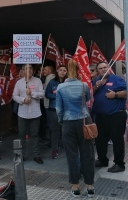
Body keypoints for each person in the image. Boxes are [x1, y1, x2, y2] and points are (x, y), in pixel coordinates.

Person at [56, 59, 95, 197]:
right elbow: (89, 99)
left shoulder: (60, 87)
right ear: (78, 70)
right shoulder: (84, 86)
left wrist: (62, 122)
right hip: (84, 121)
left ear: (67, 70)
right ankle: (90, 186)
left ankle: (75, 187)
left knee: (71, 155)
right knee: (87, 154)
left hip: (68, 122)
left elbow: (59, 109)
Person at [92, 61, 127, 173]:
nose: (103, 69)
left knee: (117, 140)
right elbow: (89, 93)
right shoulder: (96, 81)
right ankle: (102, 160)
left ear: (108, 68)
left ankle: (119, 164)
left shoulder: (116, 79)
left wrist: (115, 95)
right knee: (100, 140)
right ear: (97, 71)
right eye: (101, 68)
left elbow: (126, 92)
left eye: (105, 67)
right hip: (101, 117)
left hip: (116, 115)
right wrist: (96, 87)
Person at [13, 64, 44, 164]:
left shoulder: (37, 81)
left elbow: (42, 94)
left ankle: (36, 155)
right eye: (26, 68)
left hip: (35, 113)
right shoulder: (19, 82)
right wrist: (22, 100)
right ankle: (22, 155)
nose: (29, 70)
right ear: (23, 71)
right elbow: (14, 96)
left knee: (35, 135)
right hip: (22, 113)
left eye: (30, 68)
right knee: (22, 135)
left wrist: (33, 94)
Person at [45, 65, 67, 159]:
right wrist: (57, 96)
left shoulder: (68, 82)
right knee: (55, 130)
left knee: (66, 130)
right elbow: (47, 94)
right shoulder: (52, 82)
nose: (62, 72)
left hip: (66, 109)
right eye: (60, 70)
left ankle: (68, 148)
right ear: (57, 71)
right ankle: (54, 150)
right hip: (53, 109)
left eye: (64, 70)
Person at [43, 65, 56, 148]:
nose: (43, 70)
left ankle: (54, 143)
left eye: (45, 69)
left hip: (50, 105)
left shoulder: (51, 79)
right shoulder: (48, 78)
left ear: (50, 70)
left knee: (52, 125)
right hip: (48, 105)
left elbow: (48, 93)